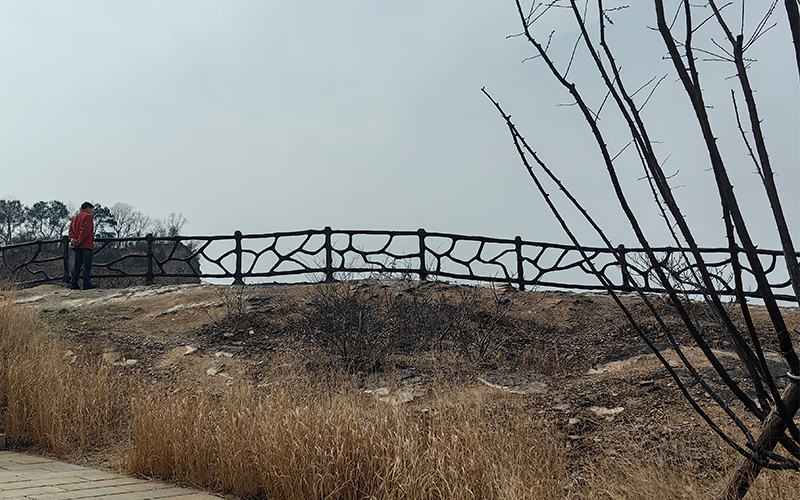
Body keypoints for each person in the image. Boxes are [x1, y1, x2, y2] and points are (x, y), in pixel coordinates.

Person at [69, 202, 96, 290]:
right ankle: (86, 283)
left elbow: (71, 231)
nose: (91, 212)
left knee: (77, 264)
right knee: (87, 265)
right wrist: (80, 241)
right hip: (86, 244)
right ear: (88, 208)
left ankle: (74, 282)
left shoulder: (75, 218)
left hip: (77, 246)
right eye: (91, 209)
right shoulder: (88, 216)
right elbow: (86, 230)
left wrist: (74, 240)